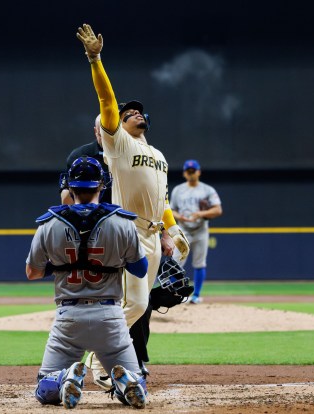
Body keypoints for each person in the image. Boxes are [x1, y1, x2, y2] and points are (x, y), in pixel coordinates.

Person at [76, 23, 190, 387]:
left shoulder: (158, 154)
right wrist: (95, 59)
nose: (136, 114)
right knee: (134, 305)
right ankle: (93, 363)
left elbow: (164, 199)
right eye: (130, 114)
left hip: (154, 235)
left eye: (140, 112)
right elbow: (107, 101)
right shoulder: (119, 145)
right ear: (118, 126)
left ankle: (109, 361)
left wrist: (172, 229)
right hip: (129, 233)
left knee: (138, 306)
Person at [26, 156, 149, 409]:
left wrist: (60, 265)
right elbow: (140, 269)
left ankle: (63, 377)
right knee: (139, 386)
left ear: (70, 187)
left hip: (69, 317)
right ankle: (127, 383)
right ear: (101, 186)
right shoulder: (123, 222)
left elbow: (32, 273)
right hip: (111, 318)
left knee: (45, 389)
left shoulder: (48, 224)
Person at [170, 160, 223, 304]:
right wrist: (179, 216)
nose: (191, 173)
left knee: (200, 263)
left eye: (193, 171)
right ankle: (176, 294)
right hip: (183, 231)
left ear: (199, 172)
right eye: (189, 171)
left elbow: (218, 209)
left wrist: (200, 214)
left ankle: (196, 295)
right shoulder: (178, 190)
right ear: (184, 173)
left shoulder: (207, 190)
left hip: (201, 230)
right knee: (175, 264)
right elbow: (170, 210)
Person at [59, 115, 111, 205]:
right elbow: (66, 198)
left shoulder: (135, 154)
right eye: (103, 134)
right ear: (96, 131)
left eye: (112, 134)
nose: (109, 140)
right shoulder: (79, 156)